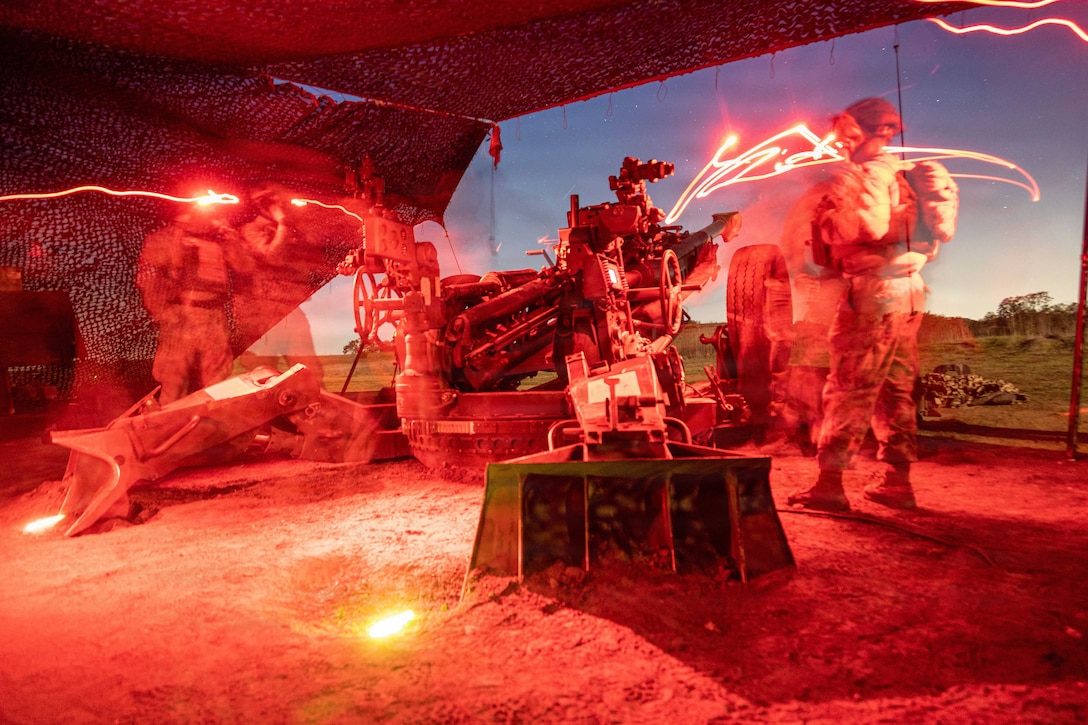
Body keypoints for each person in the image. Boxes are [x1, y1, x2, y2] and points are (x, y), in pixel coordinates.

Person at [787, 97, 959, 511]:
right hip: (908, 292)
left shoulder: (866, 174)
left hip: (874, 295)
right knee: (894, 391)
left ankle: (830, 486)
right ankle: (898, 483)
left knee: (848, 388)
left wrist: (828, 220)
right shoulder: (902, 174)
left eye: (843, 134)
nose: (839, 143)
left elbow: (865, 225)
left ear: (854, 130)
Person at [137, 204, 243, 404]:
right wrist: (162, 311)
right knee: (174, 382)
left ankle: (212, 427)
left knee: (219, 383)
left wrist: (232, 239)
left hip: (214, 317)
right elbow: (148, 277)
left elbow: (244, 267)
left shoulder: (221, 238)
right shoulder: (166, 238)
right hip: (181, 317)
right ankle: (168, 426)